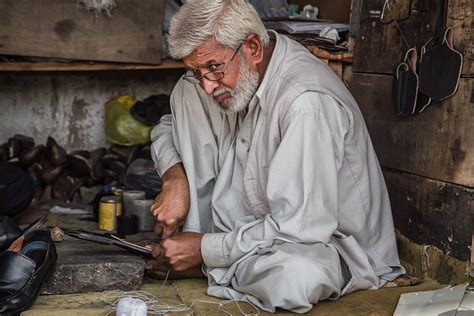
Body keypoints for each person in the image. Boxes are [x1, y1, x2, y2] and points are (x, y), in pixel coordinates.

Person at [149, 0, 405, 312]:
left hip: (327, 247)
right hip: (252, 231)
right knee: (185, 92)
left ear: (253, 47)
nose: (207, 84)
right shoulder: (231, 77)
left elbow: (301, 228)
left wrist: (205, 250)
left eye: (214, 68)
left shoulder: (305, 103)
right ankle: (202, 253)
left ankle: (200, 260)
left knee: (293, 278)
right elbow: (167, 128)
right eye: (196, 70)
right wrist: (175, 178)